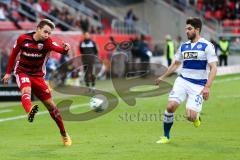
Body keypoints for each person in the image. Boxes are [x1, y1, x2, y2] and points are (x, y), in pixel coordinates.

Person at [2, 19, 72, 146]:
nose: (47, 35)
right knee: (26, 90)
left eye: (49, 33)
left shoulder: (48, 43)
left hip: (38, 76)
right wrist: (8, 72)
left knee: (51, 106)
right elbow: (13, 55)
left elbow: (61, 50)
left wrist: (66, 49)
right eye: (45, 31)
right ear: (38, 28)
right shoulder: (23, 39)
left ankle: (64, 134)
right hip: (22, 71)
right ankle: (30, 110)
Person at [155, 17, 218, 144]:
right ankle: (166, 136)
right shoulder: (184, 46)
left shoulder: (207, 46)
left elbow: (214, 68)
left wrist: (207, 87)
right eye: (186, 29)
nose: (186, 32)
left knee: (191, 116)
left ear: (197, 29)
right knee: (170, 106)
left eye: (189, 29)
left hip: (198, 85)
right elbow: (176, 64)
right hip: (182, 81)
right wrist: (163, 76)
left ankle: (196, 118)